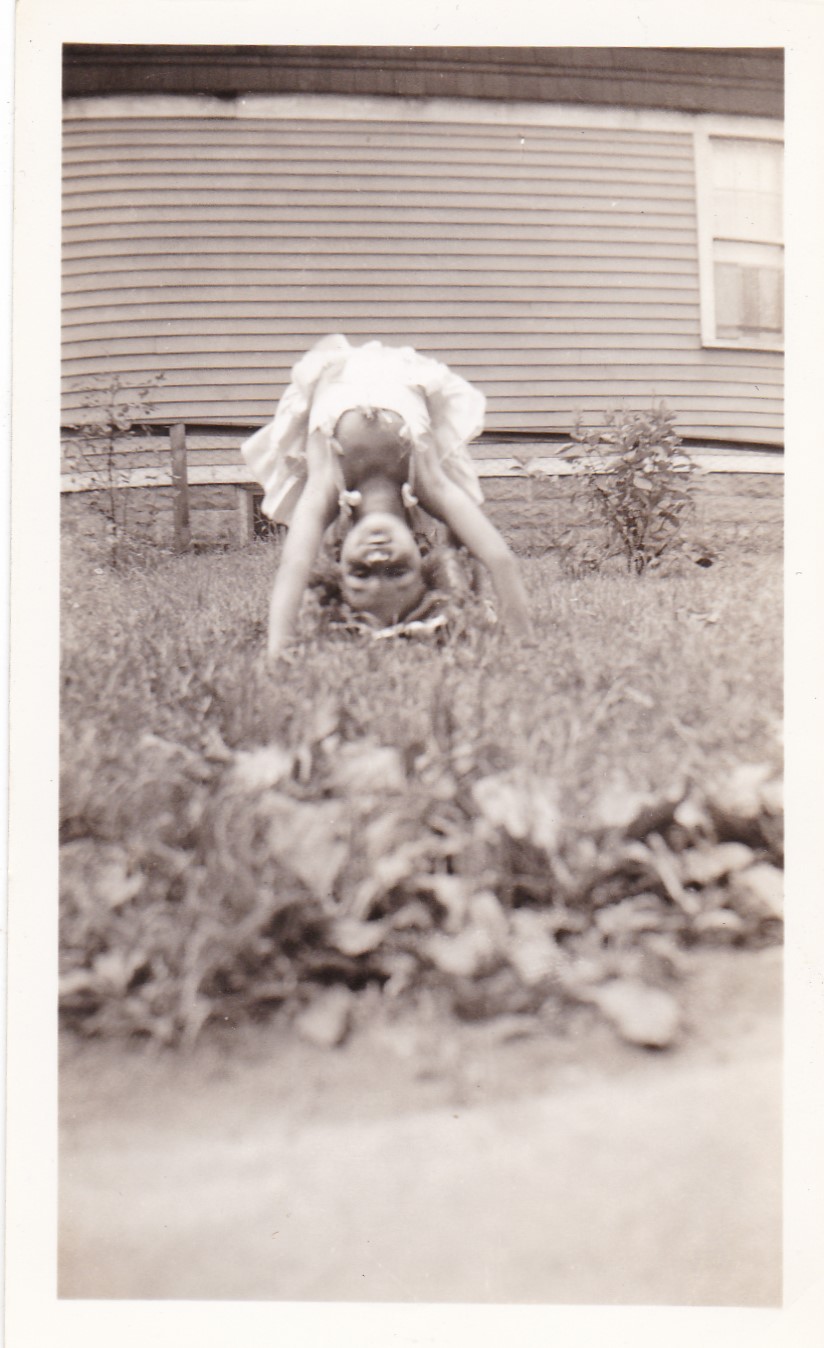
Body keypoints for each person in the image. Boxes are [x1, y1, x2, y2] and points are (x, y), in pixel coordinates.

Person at [241, 334, 532, 658]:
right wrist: (522, 645)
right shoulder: (430, 484)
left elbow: (294, 563)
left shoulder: (324, 489)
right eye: (397, 569)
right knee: (462, 526)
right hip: (406, 380)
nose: (378, 556)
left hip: (334, 378)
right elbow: (500, 559)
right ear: (421, 558)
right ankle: (471, 600)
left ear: (339, 563)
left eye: (361, 571)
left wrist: (278, 653)